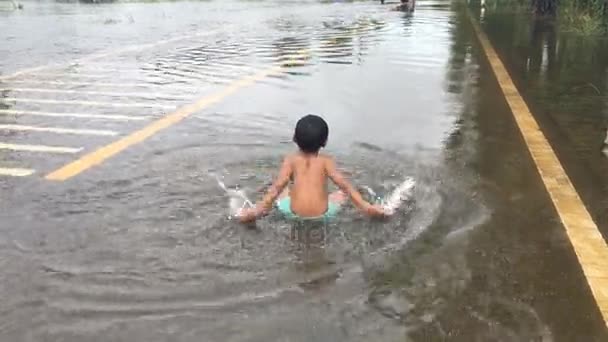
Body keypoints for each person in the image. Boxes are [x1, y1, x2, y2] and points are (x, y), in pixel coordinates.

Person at [238, 115, 386, 223]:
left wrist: (259, 209)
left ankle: (256, 212)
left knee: (280, 188)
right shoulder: (326, 161)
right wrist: (365, 206)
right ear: (325, 142)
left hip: (292, 213)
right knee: (342, 193)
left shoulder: (290, 160)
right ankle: (368, 207)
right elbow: (343, 184)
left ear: (294, 138)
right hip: (323, 215)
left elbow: (278, 186)